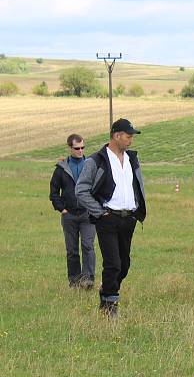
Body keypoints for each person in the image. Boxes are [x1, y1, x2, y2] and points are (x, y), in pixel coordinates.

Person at [76, 119, 146, 318]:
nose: (131, 140)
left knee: (124, 265)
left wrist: (137, 209)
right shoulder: (96, 160)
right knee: (113, 264)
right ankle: (109, 305)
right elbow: (81, 190)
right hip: (107, 218)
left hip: (128, 219)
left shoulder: (133, 159)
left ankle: (107, 291)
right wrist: (99, 212)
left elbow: (138, 186)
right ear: (116, 136)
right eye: (128, 136)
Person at [50, 133, 96, 289]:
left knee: (88, 246)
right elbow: (54, 192)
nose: (81, 151)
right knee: (72, 250)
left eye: (83, 147)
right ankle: (75, 281)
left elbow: (99, 188)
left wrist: (95, 207)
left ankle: (88, 279)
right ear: (70, 148)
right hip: (69, 215)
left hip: (87, 214)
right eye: (77, 148)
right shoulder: (61, 168)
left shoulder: (91, 165)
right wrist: (61, 209)